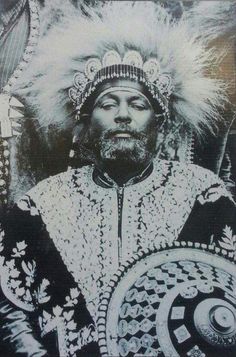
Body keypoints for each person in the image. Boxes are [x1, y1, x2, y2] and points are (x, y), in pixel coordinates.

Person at [0, 2, 235, 356]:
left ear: (160, 125)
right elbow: (11, 307)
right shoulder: (40, 206)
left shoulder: (205, 196)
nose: (123, 115)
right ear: (84, 125)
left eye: (138, 105)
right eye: (108, 104)